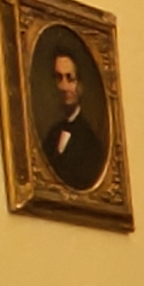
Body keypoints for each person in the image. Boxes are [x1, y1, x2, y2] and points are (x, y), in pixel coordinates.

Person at [37, 42, 107, 191]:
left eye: (70, 78)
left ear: (80, 85)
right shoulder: (51, 136)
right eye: (59, 78)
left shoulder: (91, 144)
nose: (64, 87)